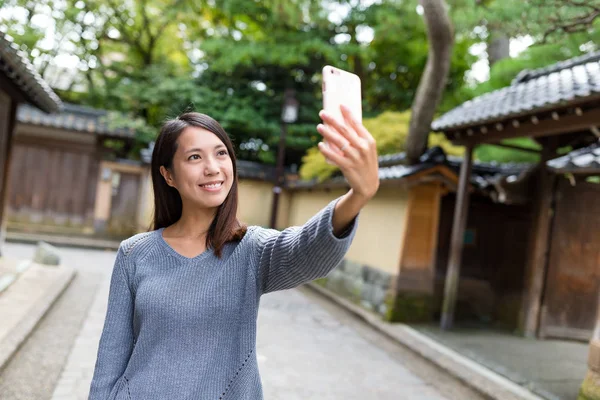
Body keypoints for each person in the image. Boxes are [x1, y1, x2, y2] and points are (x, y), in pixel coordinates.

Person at [88, 104, 379, 400]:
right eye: (194, 157)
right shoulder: (133, 254)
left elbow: (306, 249)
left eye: (221, 153)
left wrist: (357, 197)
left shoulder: (250, 249)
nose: (212, 167)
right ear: (168, 175)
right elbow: (110, 358)